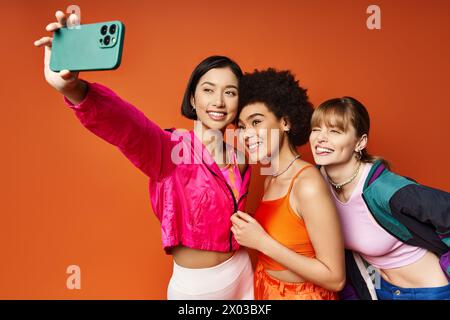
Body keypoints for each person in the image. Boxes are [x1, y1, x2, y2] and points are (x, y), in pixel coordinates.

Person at [34, 10, 254, 299]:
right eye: (208, 90)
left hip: (242, 272)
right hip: (197, 288)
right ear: (193, 98)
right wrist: (76, 90)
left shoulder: (241, 156)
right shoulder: (168, 149)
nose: (218, 101)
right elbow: (128, 125)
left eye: (230, 92)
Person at [309, 96, 450, 300]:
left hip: (429, 291)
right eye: (316, 129)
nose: (320, 138)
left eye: (334, 131)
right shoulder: (314, 184)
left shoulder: (384, 188)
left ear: (360, 142)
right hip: (381, 290)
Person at [231, 69, 345, 300]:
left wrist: (262, 242)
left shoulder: (307, 184)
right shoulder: (270, 179)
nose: (246, 134)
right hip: (267, 288)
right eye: (242, 127)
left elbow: (335, 278)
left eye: (256, 122)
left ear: (285, 122)